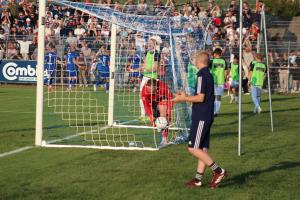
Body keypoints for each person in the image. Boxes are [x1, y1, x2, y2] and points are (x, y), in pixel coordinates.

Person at [172, 51, 227, 189]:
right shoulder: (207, 74)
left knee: (193, 148)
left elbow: (200, 98)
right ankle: (198, 179)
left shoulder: (202, 74)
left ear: (199, 61)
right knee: (202, 149)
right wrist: (186, 96)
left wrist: (183, 99)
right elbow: (201, 96)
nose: (194, 62)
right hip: (206, 115)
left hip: (201, 116)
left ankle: (218, 171)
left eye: (195, 60)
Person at [141, 79, 173, 146]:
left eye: (153, 90)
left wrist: (169, 111)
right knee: (154, 122)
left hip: (162, 99)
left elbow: (171, 98)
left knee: (164, 118)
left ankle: (164, 139)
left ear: (156, 87)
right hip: (152, 102)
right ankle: (159, 126)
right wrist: (150, 115)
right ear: (147, 86)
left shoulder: (163, 87)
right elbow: (146, 106)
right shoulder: (144, 92)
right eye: (149, 90)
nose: (151, 91)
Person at [140, 38, 160, 118]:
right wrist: (141, 68)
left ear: (155, 44)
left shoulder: (157, 53)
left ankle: (155, 114)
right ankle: (143, 115)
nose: (149, 44)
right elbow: (144, 64)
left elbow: (155, 67)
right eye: (148, 42)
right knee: (142, 95)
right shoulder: (147, 52)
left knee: (152, 97)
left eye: (151, 43)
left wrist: (145, 69)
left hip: (152, 78)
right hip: (145, 77)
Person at [210, 48, 228, 116]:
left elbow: (209, 71)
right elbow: (226, 72)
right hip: (221, 81)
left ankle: (213, 111)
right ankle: (216, 112)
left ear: (215, 54)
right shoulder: (224, 61)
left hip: (213, 81)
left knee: (213, 97)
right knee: (218, 97)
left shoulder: (212, 61)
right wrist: (225, 79)